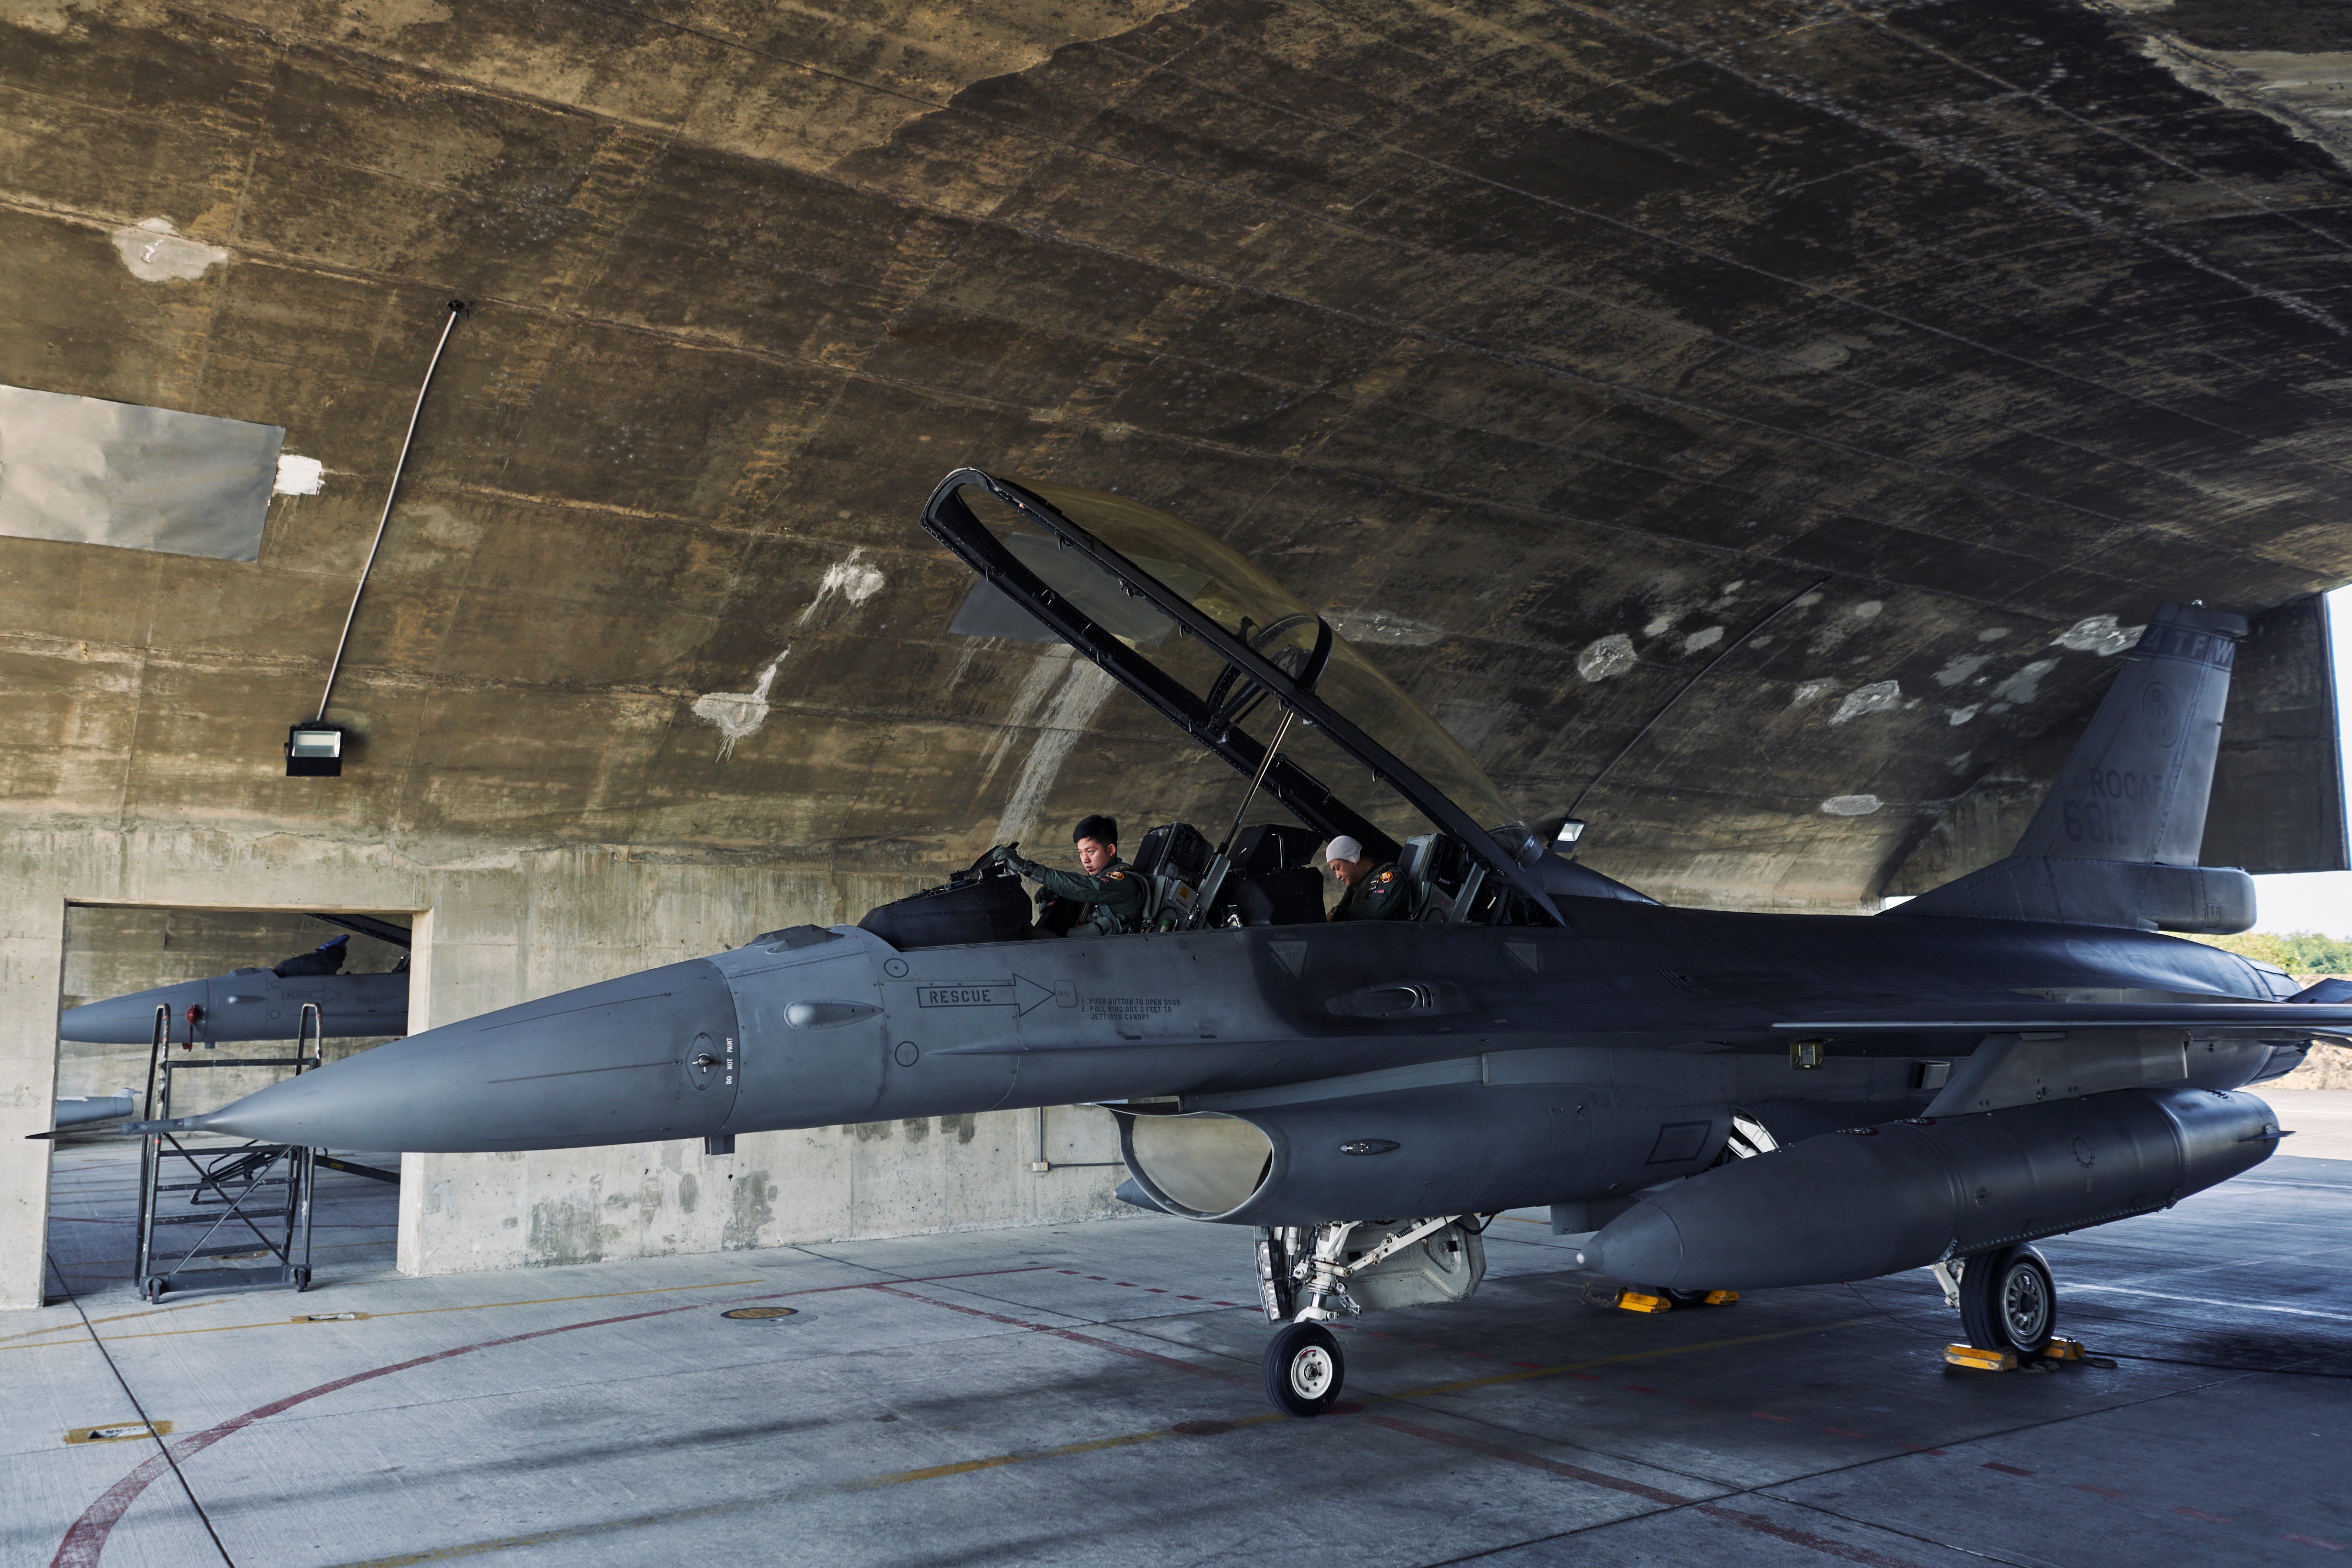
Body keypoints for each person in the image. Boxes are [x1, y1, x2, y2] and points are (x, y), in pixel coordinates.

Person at [991, 815, 1146, 937]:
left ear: (1110, 850)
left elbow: (1090, 887)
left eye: (1090, 852)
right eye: (1081, 853)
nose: (1085, 859)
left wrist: (1028, 868)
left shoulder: (1123, 881)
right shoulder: (1094, 882)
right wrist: (1055, 897)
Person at [1325, 834, 1410, 921]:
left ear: (1353, 858)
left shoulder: (1390, 878)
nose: (1338, 876)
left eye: (1338, 868)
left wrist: (1337, 913)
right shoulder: (1357, 888)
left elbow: (1375, 911)